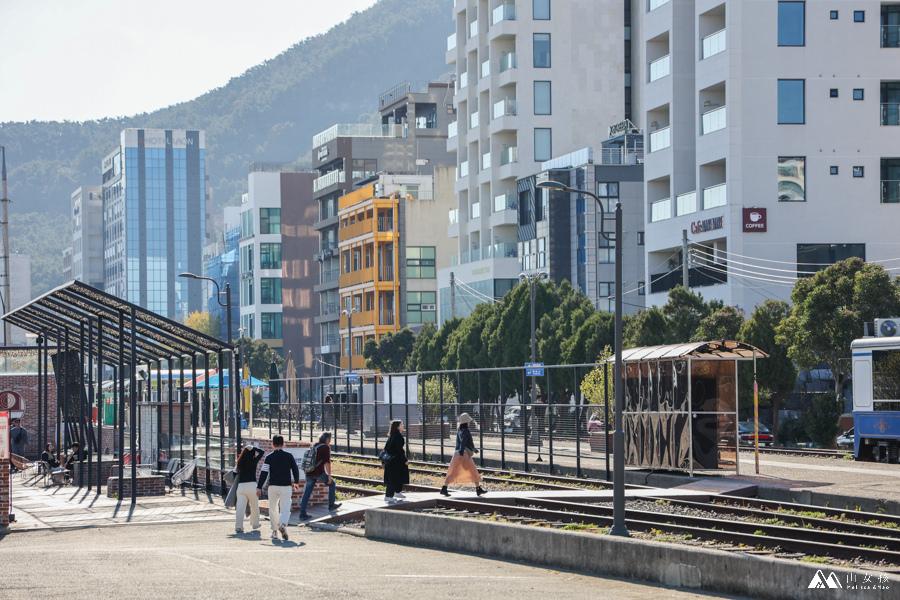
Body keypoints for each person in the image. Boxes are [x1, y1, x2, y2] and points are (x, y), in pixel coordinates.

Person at [256, 435, 300, 541]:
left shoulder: (269, 457)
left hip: (273, 486)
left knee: (273, 509)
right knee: (285, 508)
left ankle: (275, 532)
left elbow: (264, 472)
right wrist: (296, 482)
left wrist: (259, 487)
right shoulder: (289, 456)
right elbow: (295, 469)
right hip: (286, 486)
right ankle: (283, 524)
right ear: (283, 444)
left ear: (272, 445)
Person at [440, 413, 486, 497]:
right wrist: (462, 453)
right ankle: (478, 489)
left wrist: (473, 450)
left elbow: (462, 443)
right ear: (466, 422)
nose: (469, 422)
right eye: (468, 421)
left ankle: (444, 488)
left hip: (456, 453)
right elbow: (463, 443)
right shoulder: (467, 431)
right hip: (463, 453)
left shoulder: (459, 430)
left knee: (452, 471)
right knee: (473, 470)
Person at [298, 432, 341, 520]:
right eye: (330, 439)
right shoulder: (325, 447)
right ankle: (331, 505)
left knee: (307, 492)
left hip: (309, 472)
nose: (330, 441)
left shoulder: (315, 445)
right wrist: (329, 475)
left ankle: (302, 513)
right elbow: (327, 462)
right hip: (318, 472)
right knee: (332, 484)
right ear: (327, 439)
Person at [232, 444, 264, 534]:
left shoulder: (239, 463)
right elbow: (262, 452)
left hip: (241, 486)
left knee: (240, 508)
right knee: (254, 505)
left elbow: (234, 475)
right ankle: (255, 523)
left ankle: (238, 526)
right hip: (252, 485)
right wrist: (254, 448)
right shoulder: (254, 461)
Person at [382, 420, 409, 502]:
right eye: (401, 424)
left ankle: (397, 491)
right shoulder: (398, 437)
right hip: (395, 461)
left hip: (392, 461)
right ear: (397, 427)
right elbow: (399, 450)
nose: (403, 426)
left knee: (397, 476)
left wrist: (383, 461)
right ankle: (388, 496)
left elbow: (386, 449)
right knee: (393, 478)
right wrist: (405, 460)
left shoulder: (392, 436)